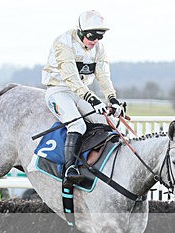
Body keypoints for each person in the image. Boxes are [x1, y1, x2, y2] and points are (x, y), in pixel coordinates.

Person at [42, 10, 124, 182]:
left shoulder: (98, 48)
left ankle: (91, 165)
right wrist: (93, 99)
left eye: (99, 37)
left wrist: (112, 99)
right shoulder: (63, 43)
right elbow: (71, 78)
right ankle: (69, 169)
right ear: (80, 31)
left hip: (80, 92)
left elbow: (103, 76)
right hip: (58, 90)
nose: (95, 41)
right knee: (77, 125)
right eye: (92, 36)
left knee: (107, 123)